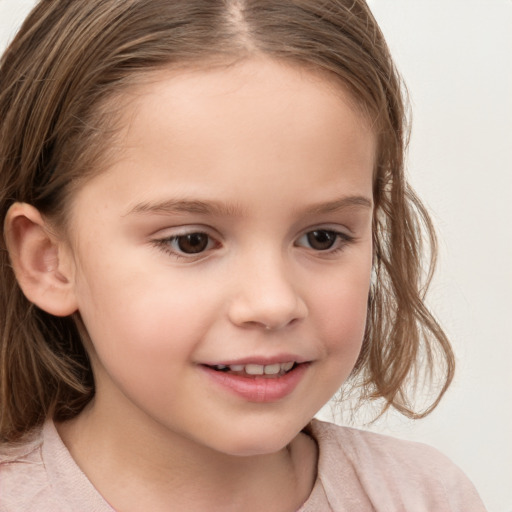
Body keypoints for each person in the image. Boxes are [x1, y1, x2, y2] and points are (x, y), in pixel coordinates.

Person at [0, 1, 487, 510]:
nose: (273, 303)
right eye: (192, 241)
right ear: (49, 261)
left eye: (322, 237)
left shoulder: (424, 497)